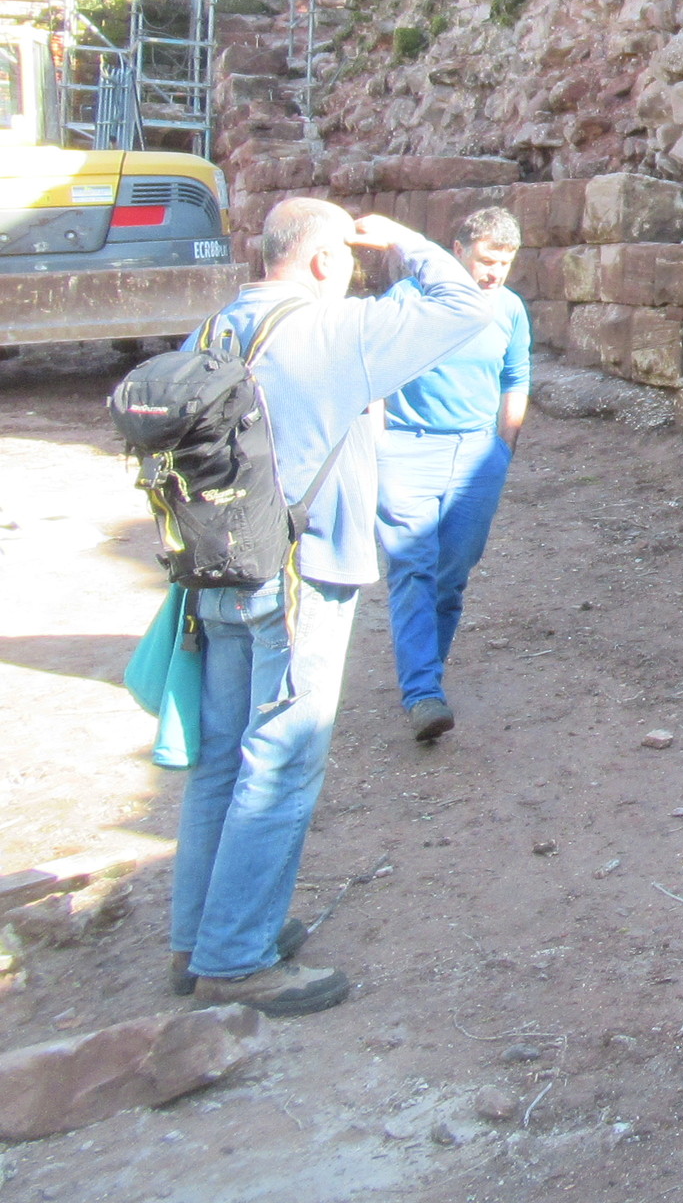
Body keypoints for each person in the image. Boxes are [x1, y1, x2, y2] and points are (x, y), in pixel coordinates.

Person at [171, 197, 491, 1016]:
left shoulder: (214, 330)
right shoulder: (333, 332)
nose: (351, 272)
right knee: (282, 760)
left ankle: (198, 937)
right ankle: (235, 959)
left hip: (217, 570)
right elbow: (463, 305)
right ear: (320, 260)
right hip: (300, 573)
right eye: (344, 258)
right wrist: (405, 241)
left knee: (222, 759)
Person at [376, 205, 531, 743]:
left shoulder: (509, 309)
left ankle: (426, 673)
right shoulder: (408, 299)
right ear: (458, 250)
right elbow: (376, 369)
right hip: (407, 449)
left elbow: (516, 377)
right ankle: (422, 693)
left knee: (451, 574)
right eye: (487, 260)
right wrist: (378, 442)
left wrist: (504, 448)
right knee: (412, 567)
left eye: (505, 263)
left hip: (477, 457)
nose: (495, 273)